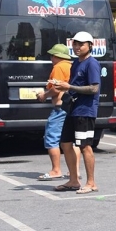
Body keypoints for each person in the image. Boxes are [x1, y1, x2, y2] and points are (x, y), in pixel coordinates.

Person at [53, 32, 100, 194]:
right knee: (65, 143)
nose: (77, 47)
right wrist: (61, 88)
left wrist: (69, 87)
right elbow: (72, 85)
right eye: (75, 44)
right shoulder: (75, 63)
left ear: (90, 46)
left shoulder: (92, 63)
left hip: (85, 111)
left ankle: (91, 183)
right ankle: (73, 180)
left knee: (85, 146)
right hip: (73, 110)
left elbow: (94, 88)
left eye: (81, 44)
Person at [36, 44, 72, 181]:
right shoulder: (71, 66)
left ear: (57, 56)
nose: (51, 58)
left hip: (59, 107)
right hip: (69, 106)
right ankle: (73, 171)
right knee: (71, 141)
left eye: (52, 55)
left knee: (51, 137)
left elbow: (56, 88)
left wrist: (44, 95)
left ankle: (56, 170)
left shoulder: (58, 67)